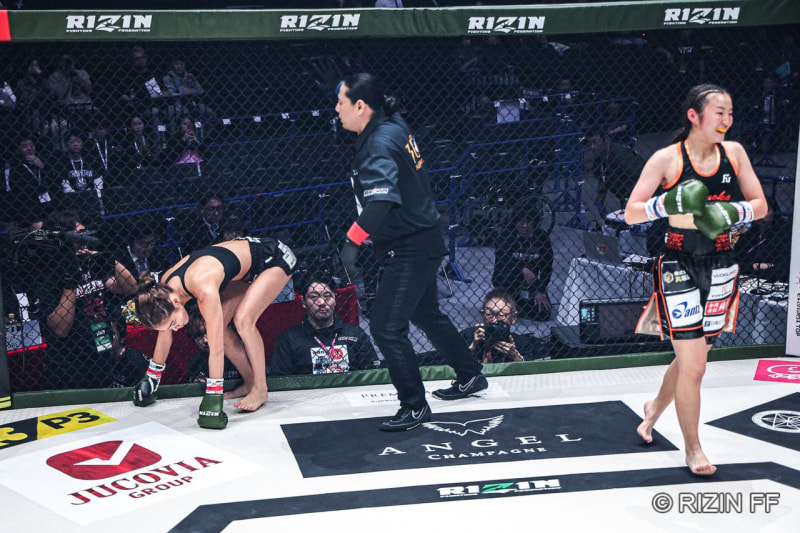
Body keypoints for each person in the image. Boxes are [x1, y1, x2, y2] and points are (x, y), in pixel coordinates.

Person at [624, 83, 767, 476]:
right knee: (695, 367)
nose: (726, 120)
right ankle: (693, 448)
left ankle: (654, 407)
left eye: (730, 113)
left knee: (693, 359)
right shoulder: (667, 158)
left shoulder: (734, 153)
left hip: (722, 264)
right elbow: (631, 212)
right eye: (719, 112)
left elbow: (760, 205)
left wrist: (734, 212)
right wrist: (667, 203)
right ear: (694, 115)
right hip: (678, 265)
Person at [336, 72, 487, 432]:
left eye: (341, 102)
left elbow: (381, 201)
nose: (337, 110)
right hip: (423, 236)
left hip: (410, 246)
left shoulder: (378, 145)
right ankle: (470, 374)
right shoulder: (393, 123)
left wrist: (351, 241)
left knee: (386, 327)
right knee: (427, 313)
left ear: (361, 106)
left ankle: (414, 406)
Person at [133, 235, 296, 429]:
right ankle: (249, 381)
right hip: (243, 271)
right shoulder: (163, 292)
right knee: (220, 331)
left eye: (173, 323)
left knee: (243, 321)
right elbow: (164, 338)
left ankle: (261, 389)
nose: (175, 329)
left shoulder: (203, 289)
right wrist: (151, 378)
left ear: (176, 303)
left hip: (274, 257)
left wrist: (213, 395)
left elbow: (216, 349)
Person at [38, 209, 138, 390]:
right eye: (78, 235)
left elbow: (130, 288)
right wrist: (70, 278)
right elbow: (61, 329)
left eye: (85, 233)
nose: (84, 240)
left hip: (101, 354)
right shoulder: (49, 273)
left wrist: (108, 259)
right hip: (69, 364)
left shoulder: (90, 263)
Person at [270, 276, 379, 376]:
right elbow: (279, 378)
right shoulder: (289, 339)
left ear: (335, 298)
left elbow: (373, 373)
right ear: (303, 302)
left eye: (327, 296)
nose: (322, 302)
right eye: (314, 297)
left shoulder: (355, 333)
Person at [492, 201, 553, 321]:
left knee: (543, 314)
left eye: (528, 221)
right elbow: (503, 264)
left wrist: (540, 291)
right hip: (509, 281)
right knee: (500, 314)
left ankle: (521, 305)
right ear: (515, 222)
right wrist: (523, 270)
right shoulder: (505, 237)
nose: (524, 225)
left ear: (534, 222)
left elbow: (547, 268)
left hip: (531, 284)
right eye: (520, 221)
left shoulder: (542, 238)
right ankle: (507, 300)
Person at [461, 289, 539, 364]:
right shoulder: (467, 336)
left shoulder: (521, 343)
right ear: (483, 314)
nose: (494, 320)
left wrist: (516, 357)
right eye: (489, 314)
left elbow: (531, 369)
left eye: (501, 315)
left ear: (513, 317)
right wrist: (472, 348)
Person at [585, 125, 646, 217]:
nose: (592, 147)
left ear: (606, 140)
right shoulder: (599, 159)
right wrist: (600, 200)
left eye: (595, 142)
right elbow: (602, 180)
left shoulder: (621, 155)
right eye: (589, 144)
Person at [735, 198, 792, 283]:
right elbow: (735, 262)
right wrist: (759, 266)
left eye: (766, 210)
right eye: (758, 210)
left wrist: (751, 266)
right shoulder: (748, 235)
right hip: (747, 280)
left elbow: (781, 268)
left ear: (774, 212)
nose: (761, 214)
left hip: (774, 282)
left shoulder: (783, 235)